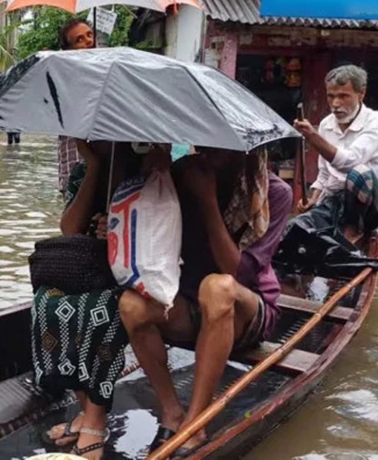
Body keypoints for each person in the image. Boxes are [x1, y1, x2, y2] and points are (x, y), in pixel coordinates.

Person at [119, 147, 292, 456]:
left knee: (217, 287)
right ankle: (172, 411)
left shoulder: (274, 193)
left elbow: (237, 272)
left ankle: (196, 422)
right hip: (190, 301)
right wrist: (155, 180)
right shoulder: (180, 178)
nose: (208, 152)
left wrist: (208, 200)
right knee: (131, 305)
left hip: (246, 308)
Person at [39, 140, 171, 459]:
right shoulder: (85, 171)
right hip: (92, 271)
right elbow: (69, 228)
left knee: (101, 308)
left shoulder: (151, 169)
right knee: (49, 304)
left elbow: (164, 230)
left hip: (138, 274)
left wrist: (120, 229)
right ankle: (85, 407)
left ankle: (96, 419)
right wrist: (95, 169)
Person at [293, 65, 378, 240]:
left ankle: (351, 234)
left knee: (359, 174)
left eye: (343, 96)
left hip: (368, 206)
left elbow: (352, 162)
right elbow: (324, 173)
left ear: (361, 94)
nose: (335, 103)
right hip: (334, 202)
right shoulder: (326, 124)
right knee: (294, 229)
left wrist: (313, 137)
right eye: (331, 96)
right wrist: (313, 199)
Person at [56, 18, 96, 194]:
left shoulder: (109, 70)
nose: (88, 41)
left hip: (106, 158)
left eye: (89, 35)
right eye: (79, 40)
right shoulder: (64, 77)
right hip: (76, 155)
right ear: (69, 50)